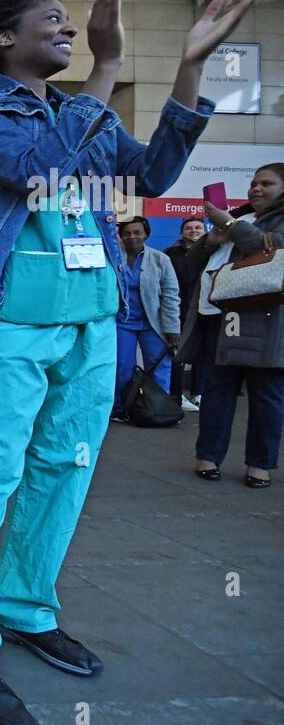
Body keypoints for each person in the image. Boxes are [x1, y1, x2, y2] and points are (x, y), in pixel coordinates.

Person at [0, 0, 255, 725]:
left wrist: (190, 66)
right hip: (9, 318)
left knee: (63, 474)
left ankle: (23, 607)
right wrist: (105, 67)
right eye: (54, 20)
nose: (72, 30)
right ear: (7, 38)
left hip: (93, 319)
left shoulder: (87, 116)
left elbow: (152, 176)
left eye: (75, 25)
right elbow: (33, 166)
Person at [181, 162, 284, 488]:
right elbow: (191, 265)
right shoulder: (238, 217)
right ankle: (208, 457)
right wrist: (211, 239)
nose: (256, 189)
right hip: (217, 318)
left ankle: (260, 465)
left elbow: (268, 247)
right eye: (253, 183)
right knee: (216, 393)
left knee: (266, 395)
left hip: (266, 322)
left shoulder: (246, 221)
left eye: (266, 183)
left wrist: (230, 223)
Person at [112, 216, 181, 419]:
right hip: (122, 322)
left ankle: (160, 410)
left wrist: (173, 327)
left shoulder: (161, 259)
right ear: (121, 236)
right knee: (122, 368)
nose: (132, 237)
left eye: (137, 232)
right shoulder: (114, 258)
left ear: (146, 234)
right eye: (127, 233)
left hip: (154, 323)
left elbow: (170, 295)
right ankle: (122, 409)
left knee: (159, 366)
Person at [163, 215, 207, 410]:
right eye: (189, 228)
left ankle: (199, 394)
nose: (194, 231)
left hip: (206, 310)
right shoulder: (171, 253)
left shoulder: (214, 251)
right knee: (176, 355)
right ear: (182, 232)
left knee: (203, 354)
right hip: (180, 311)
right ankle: (177, 395)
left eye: (198, 227)